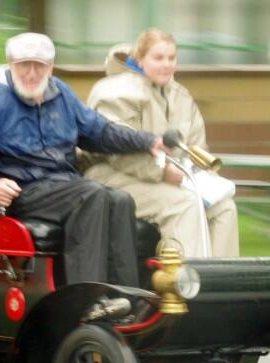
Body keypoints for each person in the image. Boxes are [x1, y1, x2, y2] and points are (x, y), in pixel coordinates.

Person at [0, 32, 163, 287]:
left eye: (39, 65)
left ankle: (125, 295)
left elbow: (100, 131)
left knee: (121, 200)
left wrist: (148, 142)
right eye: (24, 65)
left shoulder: (61, 94)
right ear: (12, 65)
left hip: (63, 186)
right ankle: (87, 301)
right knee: (92, 195)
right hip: (23, 192)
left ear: (50, 67)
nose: (32, 73)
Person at [84, 28, 239, 258]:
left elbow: (198, 148)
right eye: (158, 58)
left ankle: (223, 287)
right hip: (109, 176)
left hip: (171, 177)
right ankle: (185, 288)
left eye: (171, 58)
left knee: (225, 208)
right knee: (184, 205)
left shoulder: (181, 96)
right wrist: (163, 172)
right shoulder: (116, 92)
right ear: (139, 59)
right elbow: (116, 150)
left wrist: (203, 179)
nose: (166, 64)